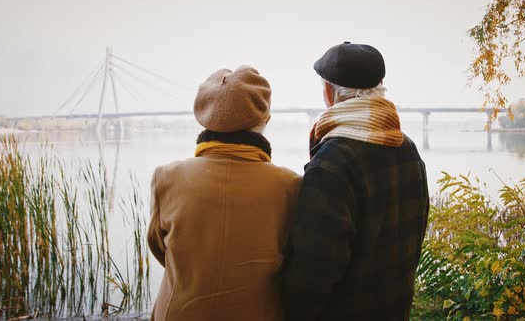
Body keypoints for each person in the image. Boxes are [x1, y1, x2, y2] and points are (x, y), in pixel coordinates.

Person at [281, 42, 430, 320]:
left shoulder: (332, 164)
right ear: (380, 86)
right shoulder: (407, 148)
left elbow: (311, 276)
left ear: (329, 92)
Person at [147, 66, 302, 321]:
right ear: (264, 120)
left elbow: (158, 247)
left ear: (204, 117)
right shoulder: (291, 185)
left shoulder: (166, 177)